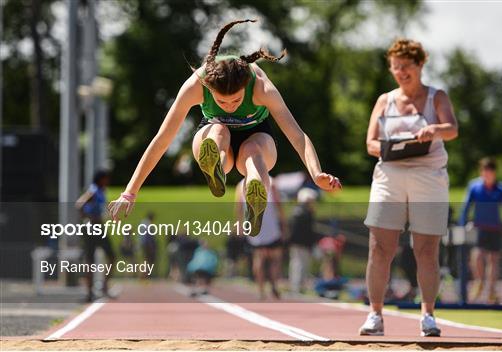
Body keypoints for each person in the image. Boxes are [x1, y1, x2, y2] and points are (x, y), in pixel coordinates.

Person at [107, 19, 341, 235]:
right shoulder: (195, 85)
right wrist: (130, 192)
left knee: (253, 153)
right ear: (209, 88)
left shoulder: (261, 87)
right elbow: (163, 139)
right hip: (214, 133)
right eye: (222, 101)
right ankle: (216, 164)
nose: (229, 106)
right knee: (219, 130)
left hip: (257, 134)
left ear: (246, 85)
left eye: (236, 100)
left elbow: (297, 135)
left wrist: (316, 172)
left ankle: (255, 193)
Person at [361, 39, 458, 337]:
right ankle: (375, 313)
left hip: (429, 175)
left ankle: (428, 315)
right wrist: (393, 147)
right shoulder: (385, 100)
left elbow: (452, 129)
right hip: (390, 174)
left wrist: (434, 130)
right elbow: (370, 143)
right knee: (379, 247)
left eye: (406, 66)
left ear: (419, 65)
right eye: (396, 67)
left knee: (427, 250)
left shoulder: (436, 97)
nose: (401, 72)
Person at [459, 158, 502, 303]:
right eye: (485, 171)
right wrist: (462, 224)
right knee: (476, 256)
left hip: (494, 228)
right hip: (479, 227)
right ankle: (479, 281)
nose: (488, 174)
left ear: (494, 173)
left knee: (493, 260)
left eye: (490, 172)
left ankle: (491, 290)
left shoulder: (500, 188)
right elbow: (466, 207)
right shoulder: (474, 187)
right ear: (481, 172)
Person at [235, 177, 286, 300]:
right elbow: (278, 204)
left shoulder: (242, 184)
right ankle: (274, 285)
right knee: (274, 259)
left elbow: (239, 207)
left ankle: (261, 290)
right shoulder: (271, 181)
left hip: (254, 227)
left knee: (258, 259)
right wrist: (284, 224)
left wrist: (239, 224)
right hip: (271, 227)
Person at [75, 170, 116, 302]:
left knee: (110, 257)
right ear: (100, 179)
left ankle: (102, 288)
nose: (108, 181)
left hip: (98, 227)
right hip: (92, 227)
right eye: (106, 179)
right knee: (91, 260)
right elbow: (79, 204)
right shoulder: (93, 190)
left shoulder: (101, 191)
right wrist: (89, 218)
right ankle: (90, 293)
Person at [288, 187, 319, 294]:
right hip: (302, 243)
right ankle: (297, 287)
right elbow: (307, 231)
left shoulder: (297, 211)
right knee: (300, 265)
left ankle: (297, 286)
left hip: (297, 243)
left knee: (297, 264)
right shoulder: (305, 213)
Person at [139, 211, 157, 279]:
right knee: (147, 260)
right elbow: (148, 236)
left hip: (143, 243)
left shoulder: (143, 222)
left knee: (144, 259)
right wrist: (151, 246)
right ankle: (144, 274)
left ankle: (143, 274)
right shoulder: (148, 224)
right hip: (147, 244)